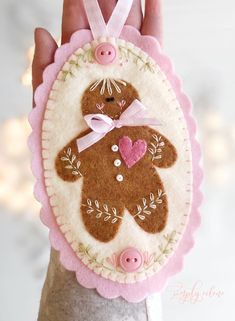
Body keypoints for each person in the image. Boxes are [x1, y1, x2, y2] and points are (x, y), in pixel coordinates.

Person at [33, 1, 163, 320]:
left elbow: (164, 151)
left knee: (150, 208)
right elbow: (68, 163)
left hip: (142, 201)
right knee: (99, 215)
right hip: (99, 211)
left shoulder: (143, 128)